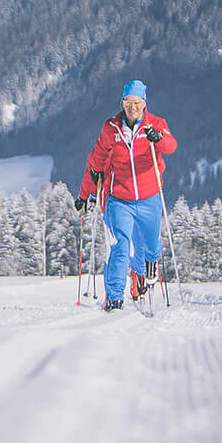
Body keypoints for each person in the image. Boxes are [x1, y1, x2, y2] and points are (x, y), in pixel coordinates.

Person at [77, 80, 176, 311]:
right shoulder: (111, 129)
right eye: (128, 102)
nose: (132, 107)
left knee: (151, 245)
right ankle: (114, 298)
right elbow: (96, 162)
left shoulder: (155, 125)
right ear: (122, 103)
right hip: (120, 199)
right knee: (121, 247)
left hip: (149, 197)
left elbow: (171, 146)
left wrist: (158, 139)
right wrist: (85, 194)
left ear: (144, 103)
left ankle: (149, 266)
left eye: (136, 102)